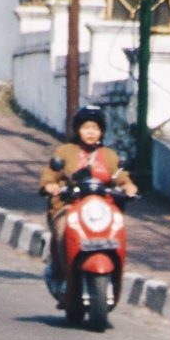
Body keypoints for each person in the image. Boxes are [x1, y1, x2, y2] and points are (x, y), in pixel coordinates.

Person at [39, 104, 136, 298]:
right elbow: (49, 176)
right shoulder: (65, 152)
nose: (91, 132)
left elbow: (121, 176)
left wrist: (128, 187)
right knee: (61, 230)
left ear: (101, 132)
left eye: (95, 128)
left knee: (118, 228)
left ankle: (115, 274)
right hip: (70, 206)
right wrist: (51, 186)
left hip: (101, 208)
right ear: (78, 130)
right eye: (86, 128)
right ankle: (60, 275)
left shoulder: (109, 155)